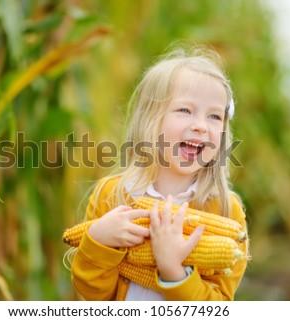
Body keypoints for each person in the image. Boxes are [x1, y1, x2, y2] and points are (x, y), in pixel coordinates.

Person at [67, 44, 249, 301]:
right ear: (150, 119)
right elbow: (93, 295)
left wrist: (174, 269)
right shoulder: (112, 195)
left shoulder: (226, 211)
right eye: (185, 110)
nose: (200, 126)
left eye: (215, 117)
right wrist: (97, 241)